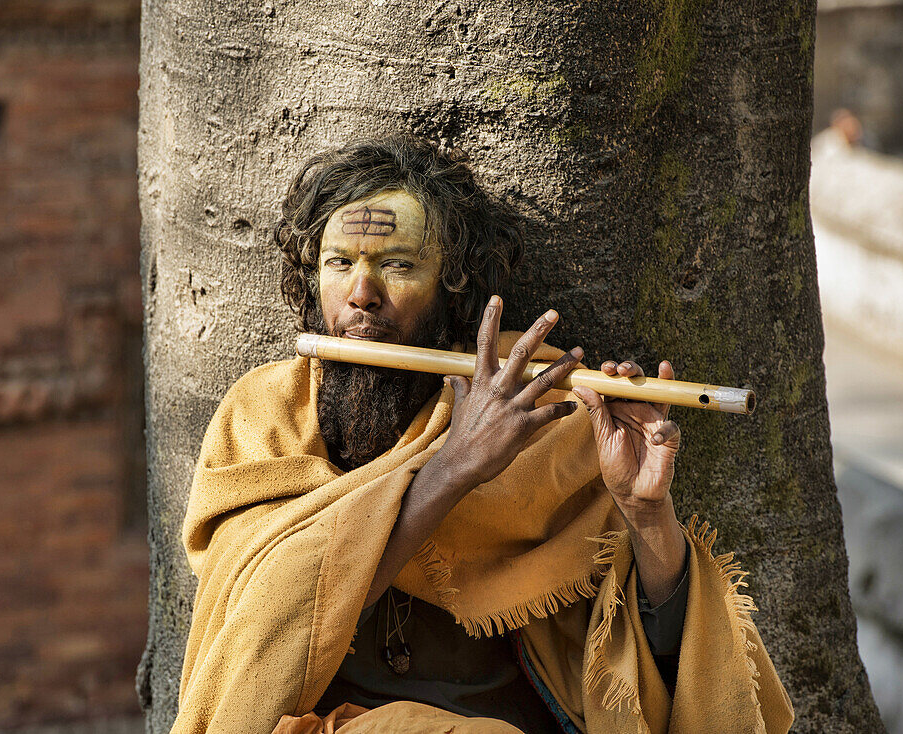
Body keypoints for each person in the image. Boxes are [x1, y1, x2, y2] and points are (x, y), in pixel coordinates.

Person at [172, 136, 794, 734]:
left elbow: (655, 673)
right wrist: (452, 470)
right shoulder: (263, 416)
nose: (362, 295)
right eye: (339, 264)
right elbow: (260, 634)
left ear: (454, 285)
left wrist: (647, 514)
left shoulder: (544, 416)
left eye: (398, 266)